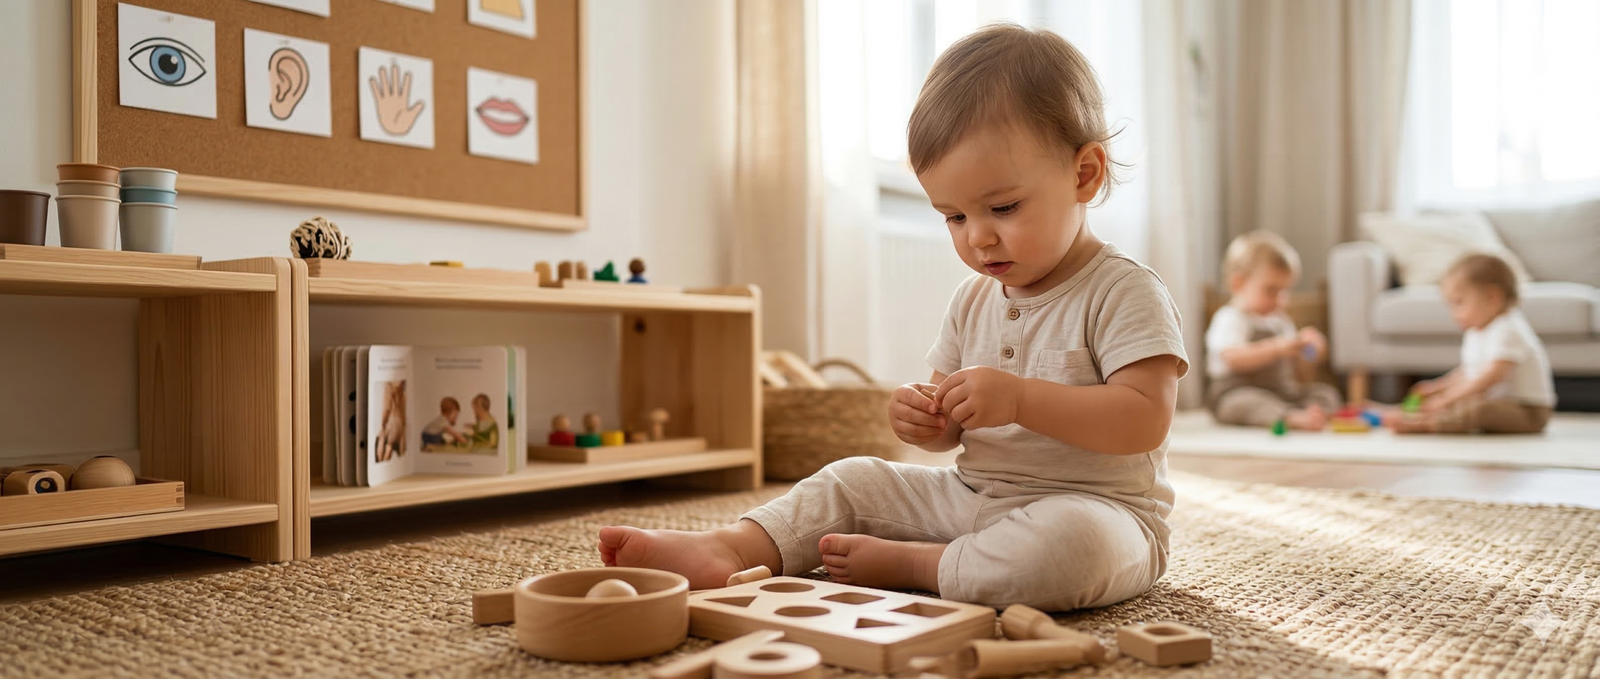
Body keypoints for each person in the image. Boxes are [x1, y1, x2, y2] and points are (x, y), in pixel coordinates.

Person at [595, 24, 1188, 611]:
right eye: (953, 216)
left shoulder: (1123, 290)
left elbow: (1144, 421)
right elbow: (950, 430)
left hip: (1102, 512)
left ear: (1084, 174)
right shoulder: (973, 299)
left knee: (1071, 548)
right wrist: (929, 420)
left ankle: (919, 564)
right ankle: (733, 546)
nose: (978, 237)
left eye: (1002, 207)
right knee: (854, 477)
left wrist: (1020, 399)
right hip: (973, 498)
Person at [1392, 253, 1555, 434]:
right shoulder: (1477, 331)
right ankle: (1423, 415)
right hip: (1498, 403)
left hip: (1528, 412)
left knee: (1480, 409)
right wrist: (1437, 388)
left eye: (1459, 303)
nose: (1454, 314)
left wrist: (1447, 399)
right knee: (1469, 403)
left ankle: (1429, 425)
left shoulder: (1508, 329)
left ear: (1492, 297)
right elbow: (1468, 373)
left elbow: (1490, 377)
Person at [1205, 231, 1339, 430]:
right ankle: (1290, 417)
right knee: (1244, 404)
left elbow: (1300, 372)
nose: (1280, 299)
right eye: (1271, 290)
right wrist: (1277, 348)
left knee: (1325, 393)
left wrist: (1310, 352)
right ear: (1238, 283)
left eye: (1285, 291)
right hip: (1237, 391)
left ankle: (1309, 413)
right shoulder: (1230, 318)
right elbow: (1233, 358)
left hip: (1279, 392)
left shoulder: (1280, 322)